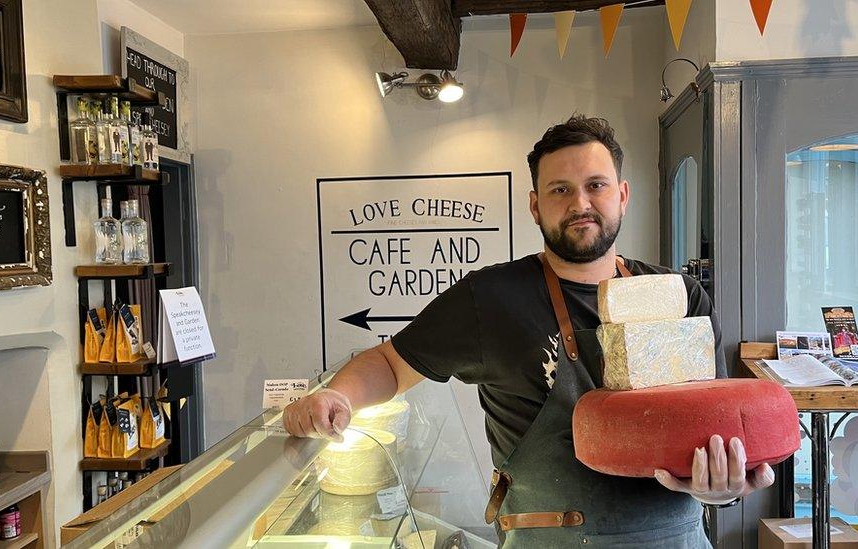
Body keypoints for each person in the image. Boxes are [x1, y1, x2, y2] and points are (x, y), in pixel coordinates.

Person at [284, 114, 775, 547]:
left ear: (622, 196)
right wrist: (340, 396)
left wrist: (722, 488)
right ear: (536, 206)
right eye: (561, 190)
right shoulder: (490, 299)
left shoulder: (681, 298)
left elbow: (705, 423)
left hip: (677, 539)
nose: (580, 203)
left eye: (596, 185)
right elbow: (390, 365)